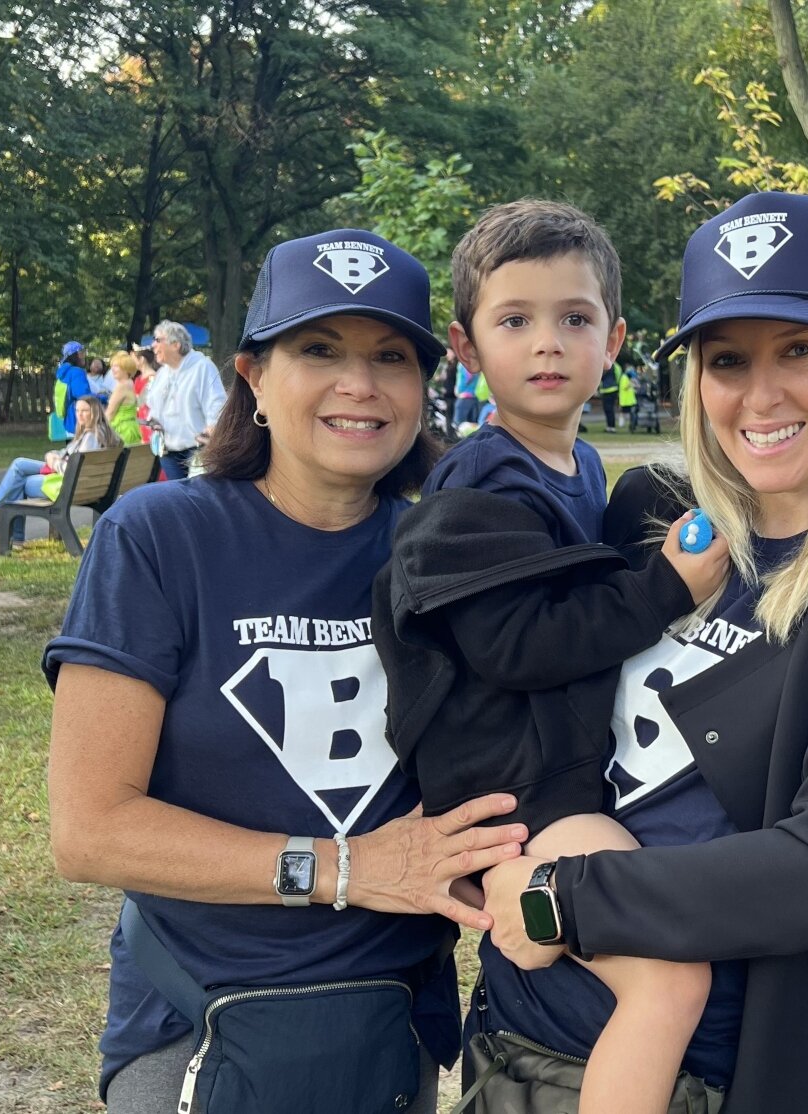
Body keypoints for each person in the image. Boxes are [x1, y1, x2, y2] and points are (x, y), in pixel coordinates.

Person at [473, 191, 808, 1114]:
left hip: (721, 1071)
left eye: (799, 350)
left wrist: (561, 899)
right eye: (728, 361)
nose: (760, 396)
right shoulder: (651, 519)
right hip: (519, 1036)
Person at [45, 229, 527, 1114]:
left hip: (388, 1032)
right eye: (318, 350)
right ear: (254, 377)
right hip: (200, 1026)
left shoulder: (450, 554)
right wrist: (346, 867)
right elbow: (89, 829)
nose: (360, 383)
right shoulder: (157, 538)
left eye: (391, 356)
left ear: (425, 385)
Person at [375, 199, 731, 1114]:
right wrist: (665, 591)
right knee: (668, 979)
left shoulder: (575, 470)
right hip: (522, 801)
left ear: (613, 339)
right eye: (515, 321)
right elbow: (515, 643)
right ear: (465, 347)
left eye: (574, 319)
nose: (547, 344)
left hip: (556, 784)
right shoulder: (477, 487)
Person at [0, 396, 121, 545]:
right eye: (77, 410)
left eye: (85, 411)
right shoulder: (98, 432)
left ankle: (9, 530)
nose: (80, 415)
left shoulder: (91, 437)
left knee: (21, 482)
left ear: (95, 412)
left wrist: (54, 463)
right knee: (20, 464)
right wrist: (55, 455)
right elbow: (70, 455)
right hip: (89, 485)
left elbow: (74, 470)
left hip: (71, 486)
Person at [147, 320, 225, 480]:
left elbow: (217, 403)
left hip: (197, 449)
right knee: (179, 498)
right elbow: (153, 406)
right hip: (168, 449)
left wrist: (212, 428)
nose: (153, 346)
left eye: (158, 340)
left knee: (199, 497)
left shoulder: (202, 367)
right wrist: (153, 420)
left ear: (175, 344)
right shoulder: (162, 374)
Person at [103, 351, 144, 446]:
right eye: (112, 366)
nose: (112, 369)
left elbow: (110, 413)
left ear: (126, 369)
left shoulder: (122, 386)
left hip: (122, 430)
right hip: (131, 428)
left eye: (116, 366)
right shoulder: (130, 383)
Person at [53, 341, 90, 440]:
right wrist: (105, 398)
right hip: (79, 421)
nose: (84, 356)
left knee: (73, 451)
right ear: (75, 355)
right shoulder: (76, 372)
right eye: (81, 353)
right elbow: (84, 396)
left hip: (69, 421)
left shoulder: (64, 373)